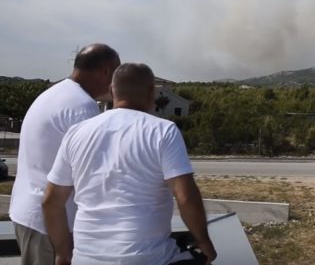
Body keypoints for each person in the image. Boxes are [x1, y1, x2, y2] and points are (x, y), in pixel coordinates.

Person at [42, 63, 217, 265]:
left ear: (110, 91)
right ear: (152, 92)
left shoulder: (76, 133)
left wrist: (62, 254)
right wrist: (205, 242)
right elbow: (185, 197)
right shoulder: (163, 131)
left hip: (85, 258)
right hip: (149, 258)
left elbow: (50, 202)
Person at [10, 44, 120, 265]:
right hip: (50, 225)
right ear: (106, 72)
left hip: (31, 214)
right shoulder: (82, 107)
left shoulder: (56, 94)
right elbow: (93, 176)